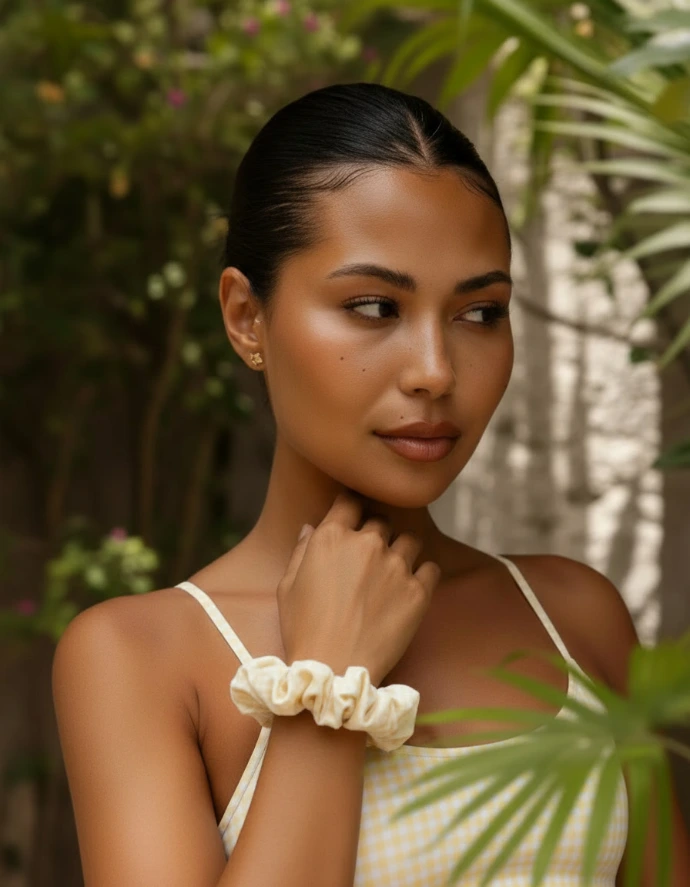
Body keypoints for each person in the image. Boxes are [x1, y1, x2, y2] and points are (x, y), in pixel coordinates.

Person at [52, 81, 690, 887]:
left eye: (480, 312)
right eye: (373, 305)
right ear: (247, 317)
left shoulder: (578, 617)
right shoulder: (140, 657)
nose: (435, 370)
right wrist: (325, 685)